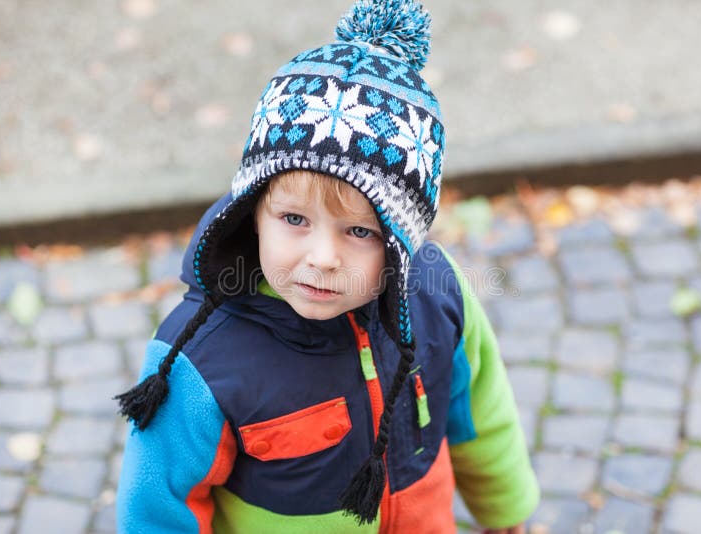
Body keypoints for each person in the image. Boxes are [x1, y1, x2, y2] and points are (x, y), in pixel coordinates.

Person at [115, 0, 539, 532]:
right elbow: (158, 504)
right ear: (253, 213)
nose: (322, 258)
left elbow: (481, 415)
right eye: (294, 219)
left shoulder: (438, 295)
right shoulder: (198, 358)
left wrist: (506, 513)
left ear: (401, 240)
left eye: (360, 231)